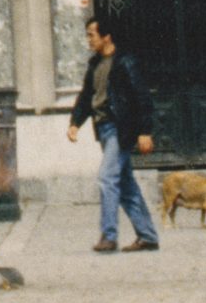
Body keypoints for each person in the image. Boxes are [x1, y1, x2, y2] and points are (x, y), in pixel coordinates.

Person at [66, 13, 160, 253]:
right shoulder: (95, 64)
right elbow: (87, 96)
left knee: (107, 177)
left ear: (106, 37)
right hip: (104, 129)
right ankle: (148, 236)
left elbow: (142, 97)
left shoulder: (125, 62)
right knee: (125, 184)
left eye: (91, 35)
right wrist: (76, 122)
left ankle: (109, 236)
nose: (88, 40)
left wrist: (145, 131)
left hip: (121, 128)